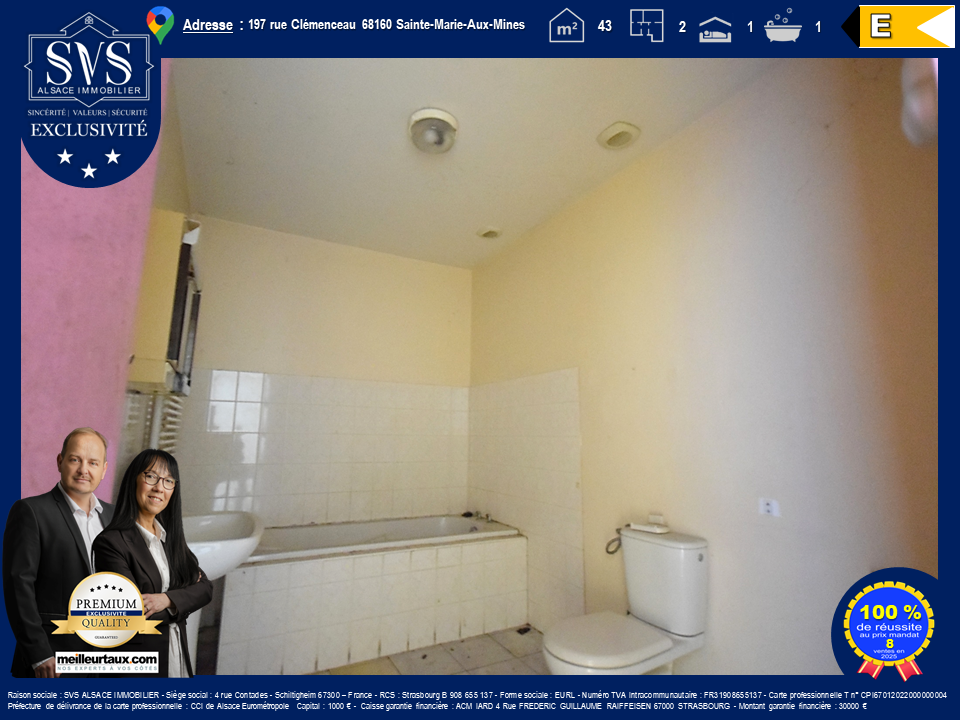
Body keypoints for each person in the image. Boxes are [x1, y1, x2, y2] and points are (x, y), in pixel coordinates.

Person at [3, 428, 115, 678]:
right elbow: (18, 586)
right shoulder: (31, 511)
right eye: (75, 459)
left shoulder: (115, 517)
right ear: (60, 461)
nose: (84, 470)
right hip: (51, 662)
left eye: (93, 463)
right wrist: (39, 653)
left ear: (104, 470)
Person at [92, 449, 212, 677]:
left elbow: (206, 588)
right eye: (151, 476)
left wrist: (167, 600)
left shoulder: (171, 539)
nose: (159, 487)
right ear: (134, 480)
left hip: (177, 656)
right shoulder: (111, 543)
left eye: (168, 481)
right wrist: (185, 600)